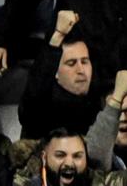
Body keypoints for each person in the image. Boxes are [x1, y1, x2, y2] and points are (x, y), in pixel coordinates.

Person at [18, 10, 101, 139]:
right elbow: (34, 97)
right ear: (54, 72)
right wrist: (58, 35)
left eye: (85, 62)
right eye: (71, 63)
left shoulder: (98, 98)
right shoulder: (41, 107)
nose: (81, 70)